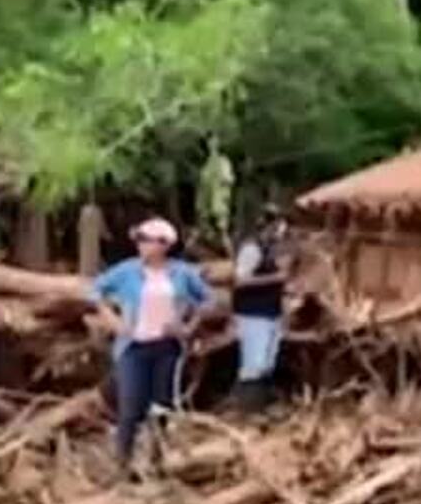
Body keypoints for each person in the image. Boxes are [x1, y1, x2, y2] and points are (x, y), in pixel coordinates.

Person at [88, 217, 213, 478]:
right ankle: (122, 465)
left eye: (147, 240)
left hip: (167, 346)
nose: (142, 245)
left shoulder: (182, 273)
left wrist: (187, 327)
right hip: (133, 347)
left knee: (161, 405)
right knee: (130, 406)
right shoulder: (127, 271)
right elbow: (95, 290)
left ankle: (156, 461)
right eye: (140, 240)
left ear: (164, 245)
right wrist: (113, 320)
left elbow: (208, 299)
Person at [231, 203, 290, 412]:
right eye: (280, 225)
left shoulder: (270, 250)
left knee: (267, 362)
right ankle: (248, 409)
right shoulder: (252, 249)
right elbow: (240, 281)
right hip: (253, 313)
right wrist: (276, 278)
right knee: (254, 363)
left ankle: (260, 406)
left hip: (270, 312)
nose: (282, 231)